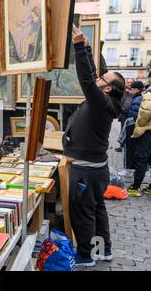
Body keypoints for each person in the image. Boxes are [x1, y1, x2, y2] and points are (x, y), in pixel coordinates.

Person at [63, 25, 125, 267]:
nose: (99, 78)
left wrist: (78, 46)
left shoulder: (102, 103)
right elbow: (93, 76)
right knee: (97, 209)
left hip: (86, 171)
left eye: (104, 78)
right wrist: (87, 48)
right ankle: (104, 250)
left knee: (83, 213)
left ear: (108, 89)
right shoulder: (107, 102)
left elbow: (88, 79)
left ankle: (86, 256)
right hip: (95, 169)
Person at [129, 83, 151, 197]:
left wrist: (139, 123)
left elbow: (145, 112)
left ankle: (136, 186)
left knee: (141, 159)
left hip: (147, 132)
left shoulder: (149, 93)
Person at [116, 78, 134, 152]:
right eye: (128, 82)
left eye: (131, 82)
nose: (129, 84)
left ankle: (129, 146)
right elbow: (120, 101)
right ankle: (121, 145)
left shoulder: (134, 91)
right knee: (122, 130)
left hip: (131, 114)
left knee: (130, 130)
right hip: (123, 114)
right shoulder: (123, 92)